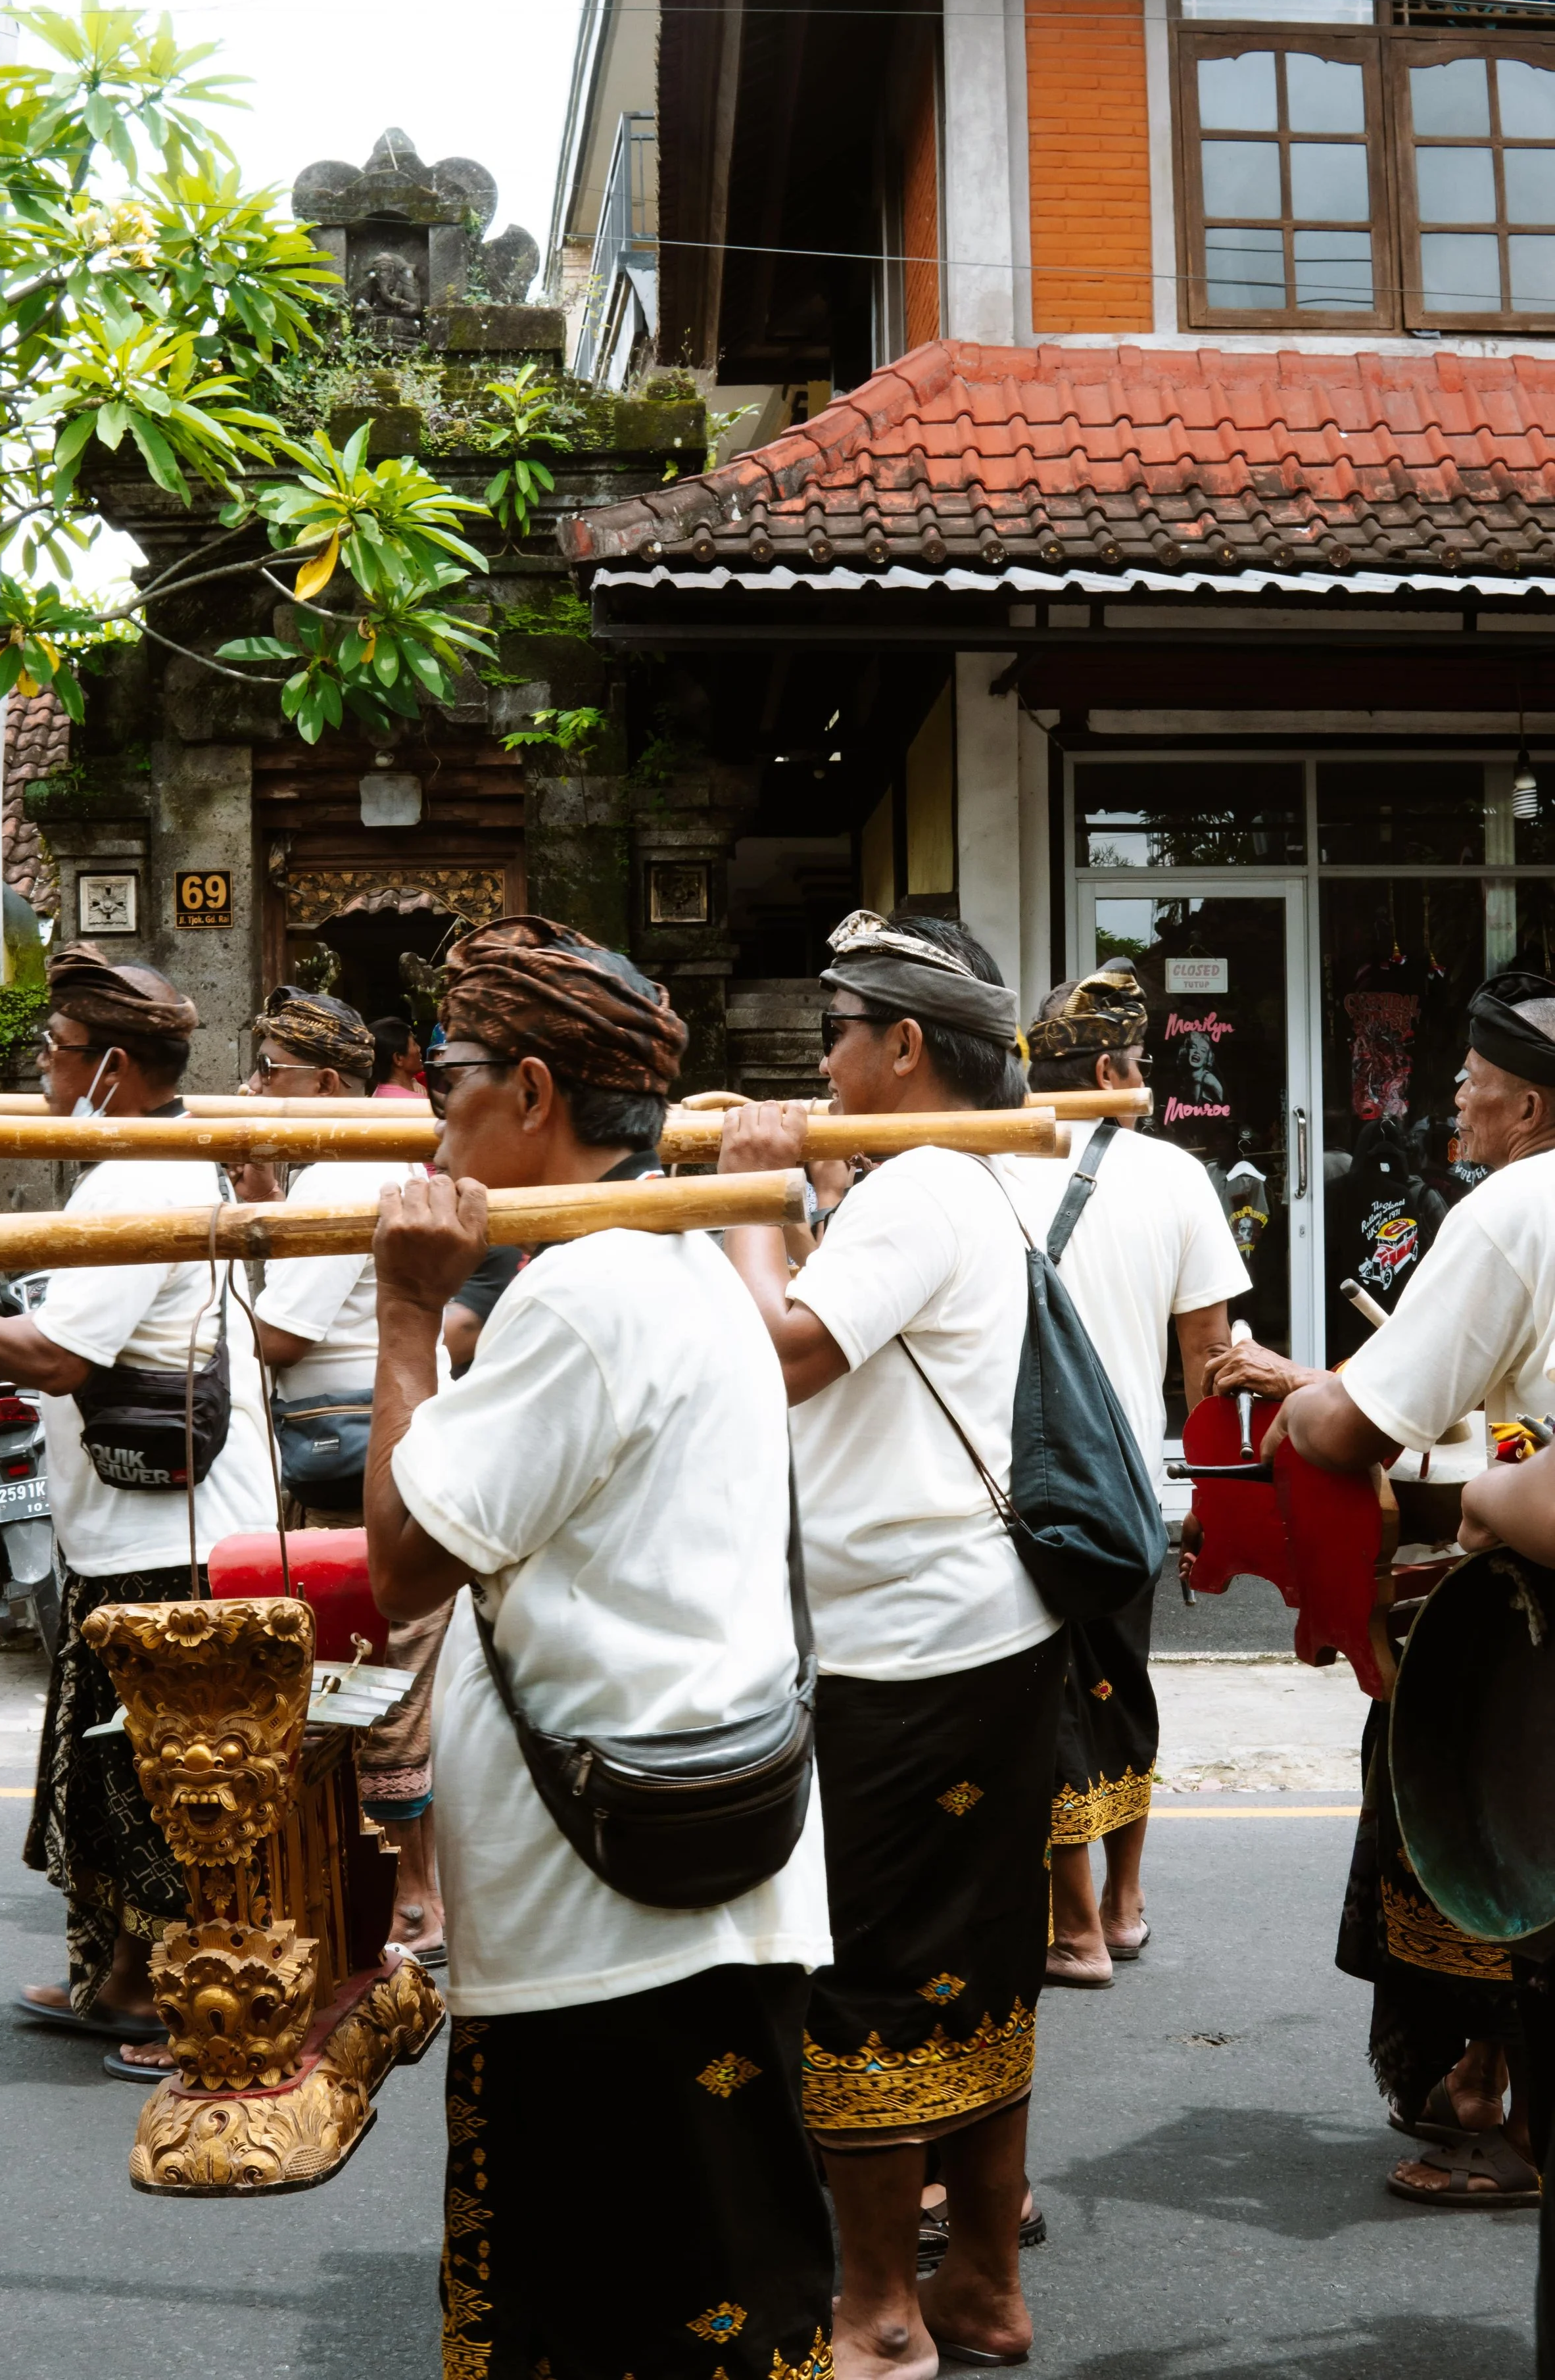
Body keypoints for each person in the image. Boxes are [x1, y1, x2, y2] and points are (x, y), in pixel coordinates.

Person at [364, 913, 834, 2380]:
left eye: (451, 1076)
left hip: (603, 1914)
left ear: (534, 1095)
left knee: (593, 2316)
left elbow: (400, 1563)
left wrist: (400, 1309)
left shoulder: (584, 1291)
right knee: (726, 2290)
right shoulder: (679, 1257)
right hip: (711, 1860)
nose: (436, 1110)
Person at [717, 908, 1066, 2379]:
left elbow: (774, 1359)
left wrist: (741, 1200)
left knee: (865, 1974)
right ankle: (979, 2287)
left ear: (904, 1047)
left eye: (834, 1040)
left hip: (909, 1651)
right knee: (973, 1965)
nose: (820, 1067)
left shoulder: (924, 1184)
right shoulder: (952, 1179)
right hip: (976, 1633)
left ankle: (874, 2312)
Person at [0, 944, 275, 2073]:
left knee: (162, 1778)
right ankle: (121, 1978)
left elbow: (59, 1358)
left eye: (58, 1048)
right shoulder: (154, 1161)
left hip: (170, 1532)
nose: (42, 1061)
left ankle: (181, 1999)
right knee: (113, 1768)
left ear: (113, 1064)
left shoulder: (139, 1179)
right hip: (138, 1518)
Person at [1267, 969, 1555, 2233]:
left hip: (1532, 1604)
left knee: (1475, 1819)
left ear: (1531, 1105)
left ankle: (1493, 2109)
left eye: (1476, 1077)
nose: (1457, 1092)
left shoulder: (1516, 1210)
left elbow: (1359, 1423)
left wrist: (1299, 1406)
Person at [1013, 967, 1247, 1988]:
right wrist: (1210, 1498)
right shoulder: (1177, 1175)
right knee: (1125, 1683)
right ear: (1111, 1068)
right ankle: (1125, 1899)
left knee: (1048, 1693)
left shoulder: (986, 1167)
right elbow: (1209, 1361)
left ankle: (1073, 1929)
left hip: (1022, 1479)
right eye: (1139, 1061)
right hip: (1129, 1479)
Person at [241, 984, 440, 1965]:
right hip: (380, 1453)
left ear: (323, 1082)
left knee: (377, 1681)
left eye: (269, 1072)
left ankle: (413, 1898)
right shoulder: (362, 1157)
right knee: (388, 1676)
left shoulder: (342, 1170)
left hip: (349, 1462)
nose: (251, 1087)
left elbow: (278, 1334)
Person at [371, 1014, 429, 1099]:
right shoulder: (419, 1103)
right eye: (414, 1044)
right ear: (398, 1058)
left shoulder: (377, 1094)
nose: (419, 1048)